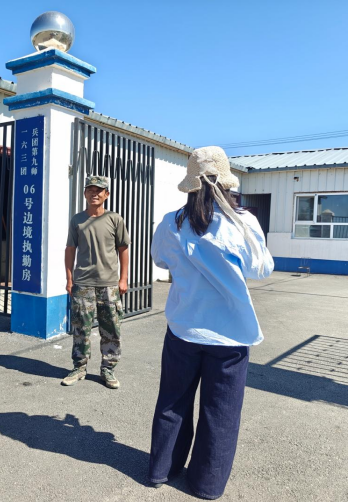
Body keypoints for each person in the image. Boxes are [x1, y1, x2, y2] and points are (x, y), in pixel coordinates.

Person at [148, 146, 274, 499]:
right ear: (227, 182)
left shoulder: (172, 222)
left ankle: (161, 470)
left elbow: (159, 261)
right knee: (221, 413)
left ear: (190, 184)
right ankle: (206, 484)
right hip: (230, 335)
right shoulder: (243, 222)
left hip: (184, 328)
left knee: (172, 402)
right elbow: (260, 269)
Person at [63, 175, 130, 389]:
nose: (94, 194)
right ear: (84, 193)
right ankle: (79, 367)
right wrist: (69, 279)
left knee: (111, 329)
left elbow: (123, 249)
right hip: (83, 283)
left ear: (106, 194)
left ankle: (108, 369)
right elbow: (70, 250)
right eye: (90, 190)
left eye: (99, 190)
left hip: (109, 284)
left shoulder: (115, 219)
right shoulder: (77, 220)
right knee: (80, 329)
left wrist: (123, 279)